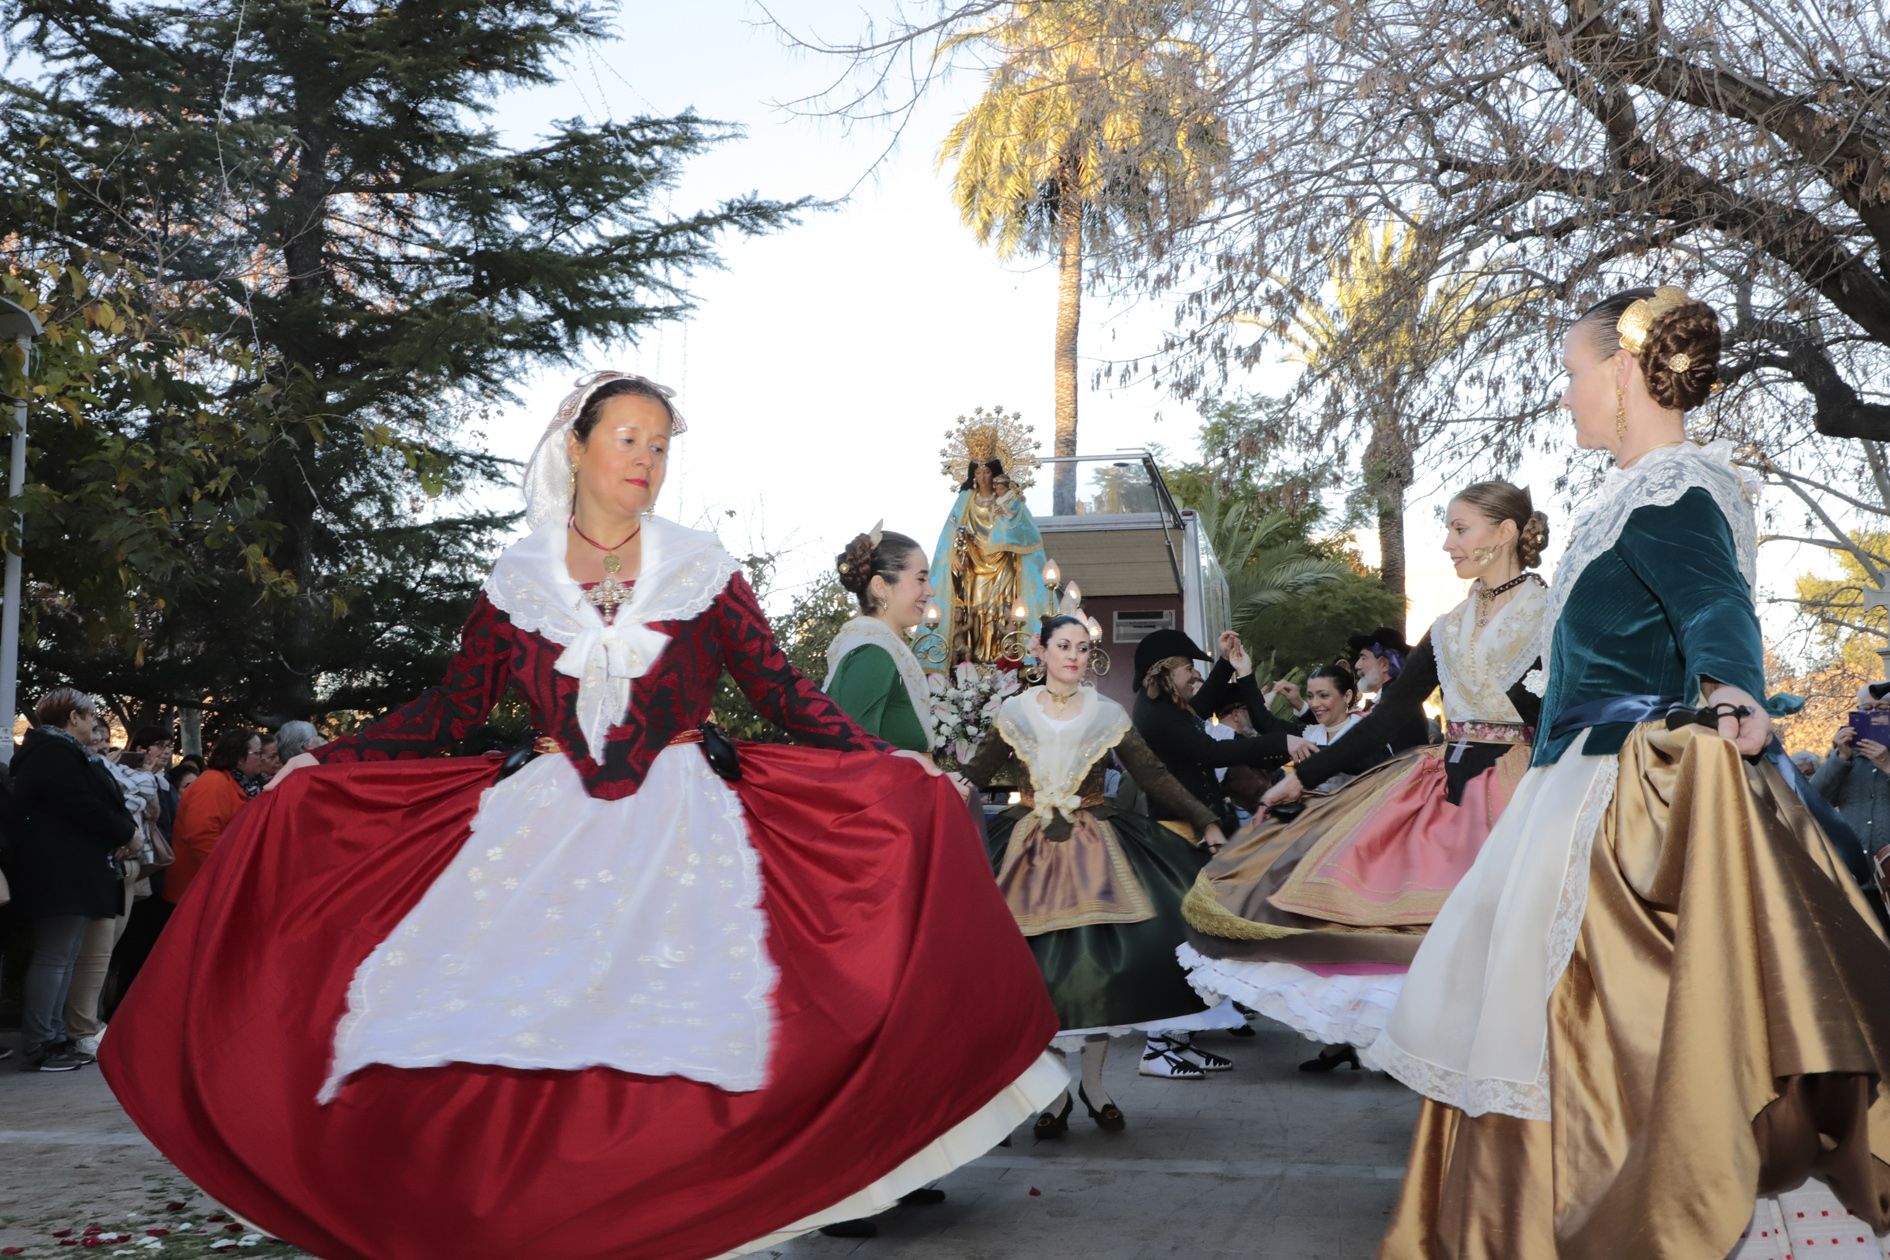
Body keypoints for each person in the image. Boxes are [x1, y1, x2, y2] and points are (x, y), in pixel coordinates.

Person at [102, 371, 1064, 1260]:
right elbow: (453, 713)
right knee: (488, 1035)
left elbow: (780, 695)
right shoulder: (518, 578)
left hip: (684, 825)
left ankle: (685, 1214)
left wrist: (887, 763)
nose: (646, 458)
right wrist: (332, 758)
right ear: (578, 446)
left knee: (688, 1046)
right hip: (541, 825)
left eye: (660, 444)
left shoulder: (702, 567)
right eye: (628, 438)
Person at [1370, 288, 1890, 1258]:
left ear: (1621, 368)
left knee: (1592, 1033)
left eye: (1572, 374)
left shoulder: (1673, 488)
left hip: (1610, 799)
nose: (1566, 397)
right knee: (1551, 1030)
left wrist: (1735, 689)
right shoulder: (1632, 494)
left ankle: (1601, 1217)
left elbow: (1713, 602)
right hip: (1570, 788)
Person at [1182, 481, 1550, 1073]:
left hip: (1523, 796)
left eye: (1460, 529)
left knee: (1506, 957)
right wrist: (1301, 778)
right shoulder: (1450, 624)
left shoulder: (1554, 613)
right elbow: (1391, 712)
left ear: (1504, 533)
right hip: (1443, 792)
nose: (1448, 544)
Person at [960, 614, 1236, 1121]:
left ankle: (1094, 1087)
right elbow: (973, 775)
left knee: (1101, 974)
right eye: (1063, 645)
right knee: (1036, 975)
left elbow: (1152, 775)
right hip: (1026, 848)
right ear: (1040, 652)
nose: (1073, 655)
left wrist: (1204, 819)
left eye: (1082, 648)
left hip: (1095, 845)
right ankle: (1056, 1095)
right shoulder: (1014, 711)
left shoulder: (1106, 712)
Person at [9, 688, 136, 1072]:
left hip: (70, 868)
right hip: (60, 870)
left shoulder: (58, 752)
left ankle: (53, 1036)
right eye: (90, 716)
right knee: (56, 956)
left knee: (63, 957)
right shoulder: (53, 753)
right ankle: (42, 1042)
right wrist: (122, 831)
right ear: (73, 717)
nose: (96, 722)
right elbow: (81, 803)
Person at [930, 453, 1053, 667]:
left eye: (987, 472)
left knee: (1002, 611)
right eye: (978, 472)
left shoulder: (1009, 501)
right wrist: (954, 555)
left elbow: (1023, 532)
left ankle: (1004, 658)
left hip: (1003, 564)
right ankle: (976, 660)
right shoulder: (965, 501)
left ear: (995, 474)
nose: (983, 477)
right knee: (976, 609)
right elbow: (952, 534)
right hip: (974, 566)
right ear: (972, 475)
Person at [162, 729, 261, 908]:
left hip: (211, 889)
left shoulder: (235, 784)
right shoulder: (213, 784)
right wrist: (230, 878)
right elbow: (201, 838)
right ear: (239, 757)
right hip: (198, 894)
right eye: (257, 753)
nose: (261, 758)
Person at [1813, 682, 1890, 879]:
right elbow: (1813, 801)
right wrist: (1840, 758)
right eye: (1866, 709)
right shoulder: (1845, 754)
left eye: (1882, 708)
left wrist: (1887, 765)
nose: (1873, 714)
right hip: (1853, 874)